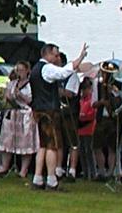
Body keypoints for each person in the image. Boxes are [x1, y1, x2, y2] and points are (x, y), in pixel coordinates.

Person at [30, 43, 87, 190]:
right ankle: (51, 179)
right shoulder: (46, 68)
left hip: (39, 110)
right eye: (55, 55)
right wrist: (79, 59)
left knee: (42, 145)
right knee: (52, 146)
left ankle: (37, 177)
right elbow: (63, 73)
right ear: (47, 54)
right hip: (49, 111)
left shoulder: (35, 69)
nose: (57, 58)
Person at [0, 61, 38, 178]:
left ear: (27, 71)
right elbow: (7, 96)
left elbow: (30, 100)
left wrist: (20, 95)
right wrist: (9, 96)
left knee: (25, 141)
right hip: (12, 114)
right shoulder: (13, 83)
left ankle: (23, 170)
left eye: (21, 70)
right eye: (17, 70)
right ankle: (5, 166)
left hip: (25, 114)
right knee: (8, 139)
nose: (19, 73)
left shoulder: (30, 85)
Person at [93, 63, 122, 180]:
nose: (107, 74)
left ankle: (110, 172)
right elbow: (94, 103)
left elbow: (121, 102)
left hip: (113, 118)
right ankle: (101, 171)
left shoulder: (119, 85)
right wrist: (102, 102)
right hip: (102, 118)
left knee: (112, 147)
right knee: (97, 145)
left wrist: (113, 94)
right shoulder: (98, 84)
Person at [57, 52, 82, 181]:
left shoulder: (72, 76)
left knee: (72, 142)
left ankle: (72, 169)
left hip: (70, 112)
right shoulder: (56, 76)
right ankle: (58, 168)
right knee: (59, 141)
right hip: (58, 112)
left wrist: (57, 90)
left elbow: (70, 93)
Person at [77, 77, 98, 180]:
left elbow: (92, 114)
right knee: (82, 151)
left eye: (86, 89)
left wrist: (83, 116)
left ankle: (93, 173)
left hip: (89, 129)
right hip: (80, 129)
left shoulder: (91, 100)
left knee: (89, 151)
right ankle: (85, 172)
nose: (84, 91)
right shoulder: (81, 100)